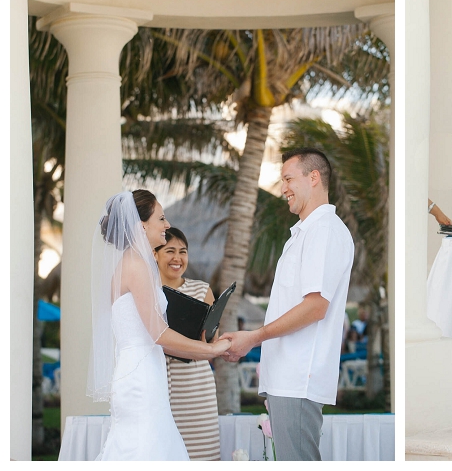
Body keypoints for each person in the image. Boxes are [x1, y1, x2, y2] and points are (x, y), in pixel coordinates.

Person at [220, 148, 354, 461]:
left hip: (298, 377)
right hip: (288, 376)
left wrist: (252, 337)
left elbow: (315, 307)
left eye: (289, 179)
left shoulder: (323, 230)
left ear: (314, 177)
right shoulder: (306, 233)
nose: (283, 189)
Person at [87, 190, 231, 460]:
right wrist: (211, 351)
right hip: (141, 379)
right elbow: (158, 333)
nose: (167, 225)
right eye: (161, 218)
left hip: (142, 373)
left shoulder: (131, 264)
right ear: (142, 225)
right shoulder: (136, 265)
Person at [155, 227, 221, 460]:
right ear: (155, 254)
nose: (177, 258)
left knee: (202, 454)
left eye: (183, 252)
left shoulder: (202, 290)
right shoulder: (147, 291)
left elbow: (212, 341)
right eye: (170, 251)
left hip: (195, 386)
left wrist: (209, 341)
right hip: (157, 384)